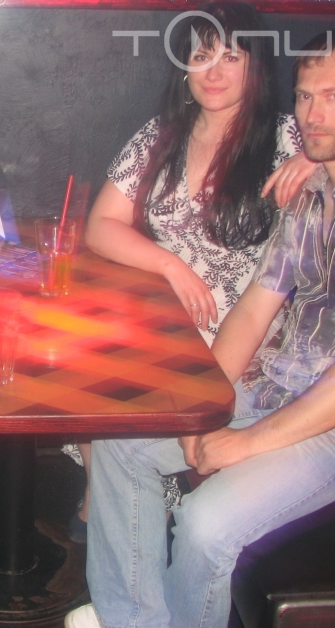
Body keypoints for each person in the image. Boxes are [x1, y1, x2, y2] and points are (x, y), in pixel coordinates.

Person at [65, 33, 335, 628]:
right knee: (123, 438)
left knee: (205, 521)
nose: (313, 114)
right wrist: (203, 405)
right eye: (305, 96)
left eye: (334, 97)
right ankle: (138, 624)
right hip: (272, 386)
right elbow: (254, 309)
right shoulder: (313, 189)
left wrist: (239, 444)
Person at [62, 1, 312, 543]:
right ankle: (112, 488)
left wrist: (318, 160)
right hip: (161, 310)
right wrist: (169, 265)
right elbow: (101, 225)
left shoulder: (289, 138)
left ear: (256, 67)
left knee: (118, 385)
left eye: (231, 57)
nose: (214, 72)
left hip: (240, 327)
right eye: (201, 56)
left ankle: (132, 497)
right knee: (74, 356)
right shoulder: (163, 134)